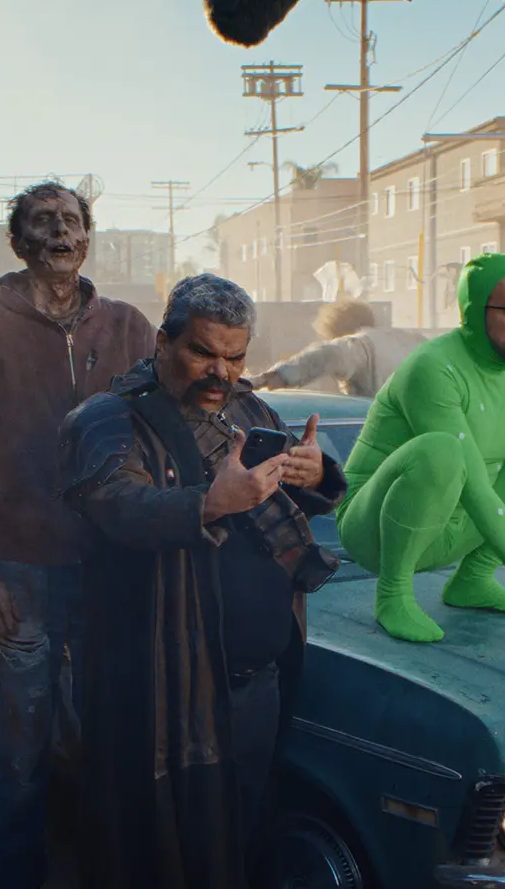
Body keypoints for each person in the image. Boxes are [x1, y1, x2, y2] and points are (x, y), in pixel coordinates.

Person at [58, 274, 345, 888]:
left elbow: (285, 498)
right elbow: (119, 506)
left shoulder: (250, 408)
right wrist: (208, 504)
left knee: (237, 841)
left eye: (235, 357)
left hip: (253, 685)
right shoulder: (110, 418)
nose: (221, 372)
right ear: (163, 342)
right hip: (162, 689)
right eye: (203, 352)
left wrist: (315, 473)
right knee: (156, 850)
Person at [0, 180, 154, 889]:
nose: (60, 231)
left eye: (72, 220)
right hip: (20, 570)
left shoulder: (129, 329)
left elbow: (171, 430)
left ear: (89, 237)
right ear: (19, 241)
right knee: (21, 757)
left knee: (110, 747)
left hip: (110, 568)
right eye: (42, 221)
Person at [334, 253, 505, 652]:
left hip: (457, 525)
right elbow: (475, 487)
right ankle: (393, 593)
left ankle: (474, 579)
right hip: (375, 530)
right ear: (473, 313)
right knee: (441, 451)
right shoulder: (431, 368)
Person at [246, 298, 424, 397]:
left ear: (335, 327)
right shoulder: (410, 339)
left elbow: (325, 356)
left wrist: (267, 379)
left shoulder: (359, 346)